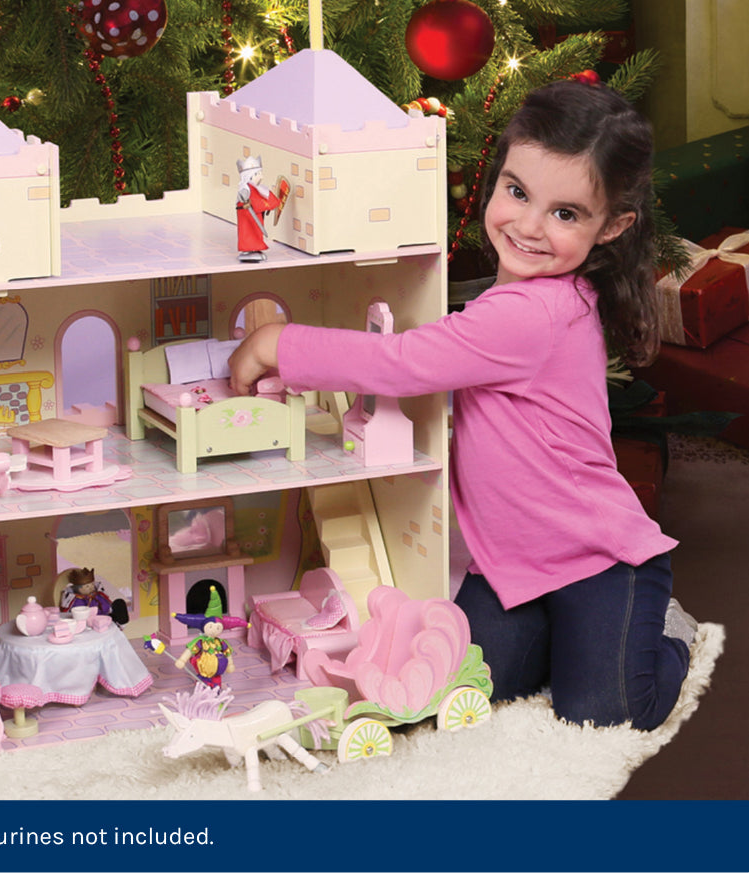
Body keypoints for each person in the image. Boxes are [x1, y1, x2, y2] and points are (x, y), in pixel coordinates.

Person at [228, 79, 696, 730]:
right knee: (467, 687)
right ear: (496, 176)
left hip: (598, 558)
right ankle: (575, 641)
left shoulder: (535, 313)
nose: (528, 225)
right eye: (516, 191)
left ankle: (669, 637)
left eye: (565, 214)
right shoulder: (511, 305)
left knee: (604, 711)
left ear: (611, 226)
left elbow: (403, 362)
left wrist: (280, 342)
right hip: (510, 566)